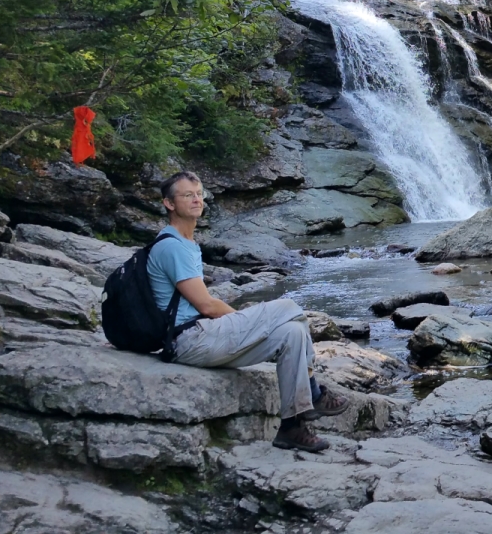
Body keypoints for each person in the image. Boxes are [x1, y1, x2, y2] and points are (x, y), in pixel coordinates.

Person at [149, 170, 347, 452]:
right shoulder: (171, 247)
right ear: (169, 204)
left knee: (292, 333)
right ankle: (314, 393)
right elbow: (206, 305)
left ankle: (291, 427)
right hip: (190, 340)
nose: (196, 200)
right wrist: (242, 319)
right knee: (290, 307)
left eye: (198, 194)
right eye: (187, 195)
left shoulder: (187, 243)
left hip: (202, 337)